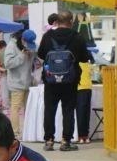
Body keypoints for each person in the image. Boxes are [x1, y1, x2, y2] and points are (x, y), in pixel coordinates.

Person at [38, 10, 91, 152]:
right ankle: (65, 141)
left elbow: (41, 54)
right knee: (68, 110)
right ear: (71, 21)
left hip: (50, 80)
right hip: (70, 80)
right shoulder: (77, 37)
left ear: (56, 21)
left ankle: (49, 141)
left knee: (49, 109)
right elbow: (85, 58)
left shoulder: (47, 36)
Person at [4, 29, 36, 138]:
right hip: (16, 83)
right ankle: (15, 132)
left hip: (28, 82)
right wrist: (22, 56)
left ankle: (28, 131)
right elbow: (7, 63)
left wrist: (35, 59)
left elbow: (34, 59)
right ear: (22, 39)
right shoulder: (11, 46)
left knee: (29, 107)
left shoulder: (31, 45)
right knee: (16, 107)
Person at [76, 59, 93, 143]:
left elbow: (91, 74)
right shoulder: (76, 60)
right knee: (81, 112)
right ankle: (81, 135)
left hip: (88, 87)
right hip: (80, 88)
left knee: (86, 112)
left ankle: (85, 134)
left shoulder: (87, 62)